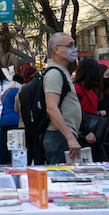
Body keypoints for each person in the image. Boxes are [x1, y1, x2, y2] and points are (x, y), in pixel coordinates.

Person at [41, 32, 84, 164]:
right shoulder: (54, 73)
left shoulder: (62, 71)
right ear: (56, 50)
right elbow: (51, 108)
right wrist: (70, 137)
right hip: (59, 136)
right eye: (70, 46)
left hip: (63, 136)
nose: (74, 49)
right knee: (61, 175)